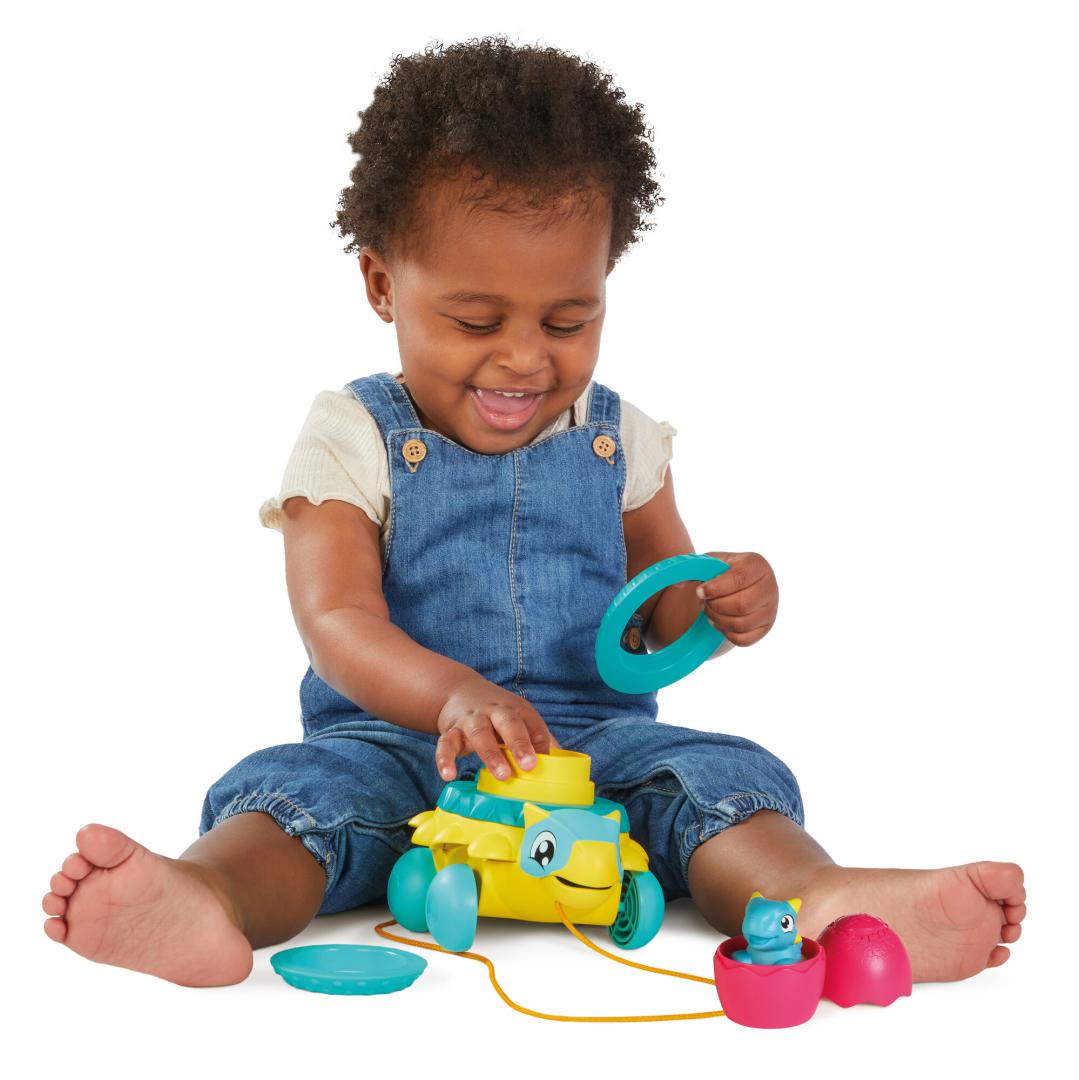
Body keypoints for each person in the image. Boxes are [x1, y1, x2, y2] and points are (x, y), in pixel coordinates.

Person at [41, 35, 1024, 988]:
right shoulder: (353, 436)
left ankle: (817, 900)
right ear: (382, 283)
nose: (523, 358)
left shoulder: (619, 438)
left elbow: (662, 612)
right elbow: (336, 620)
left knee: (712, 779)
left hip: (590, 753)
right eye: (475, 320)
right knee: (300, 800)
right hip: (397, 748)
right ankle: (208, 896)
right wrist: (451, 698)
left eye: (568, 319)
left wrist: (722, 602)